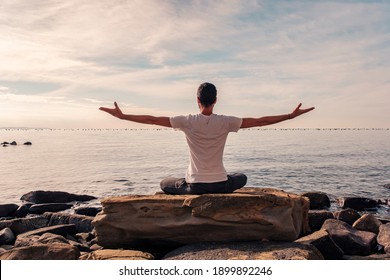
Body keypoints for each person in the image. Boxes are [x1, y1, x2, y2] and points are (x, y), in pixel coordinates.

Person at [99, 82, 315, 195]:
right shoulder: (226, 121)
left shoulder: (187, 121)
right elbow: (260, 121)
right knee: (242, 177)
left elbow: (153, 120)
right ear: (216, 100)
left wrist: (124, 116)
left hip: (195, 187)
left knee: (165, 183)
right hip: (221, 184)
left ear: (197, 100)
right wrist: (289, 115)